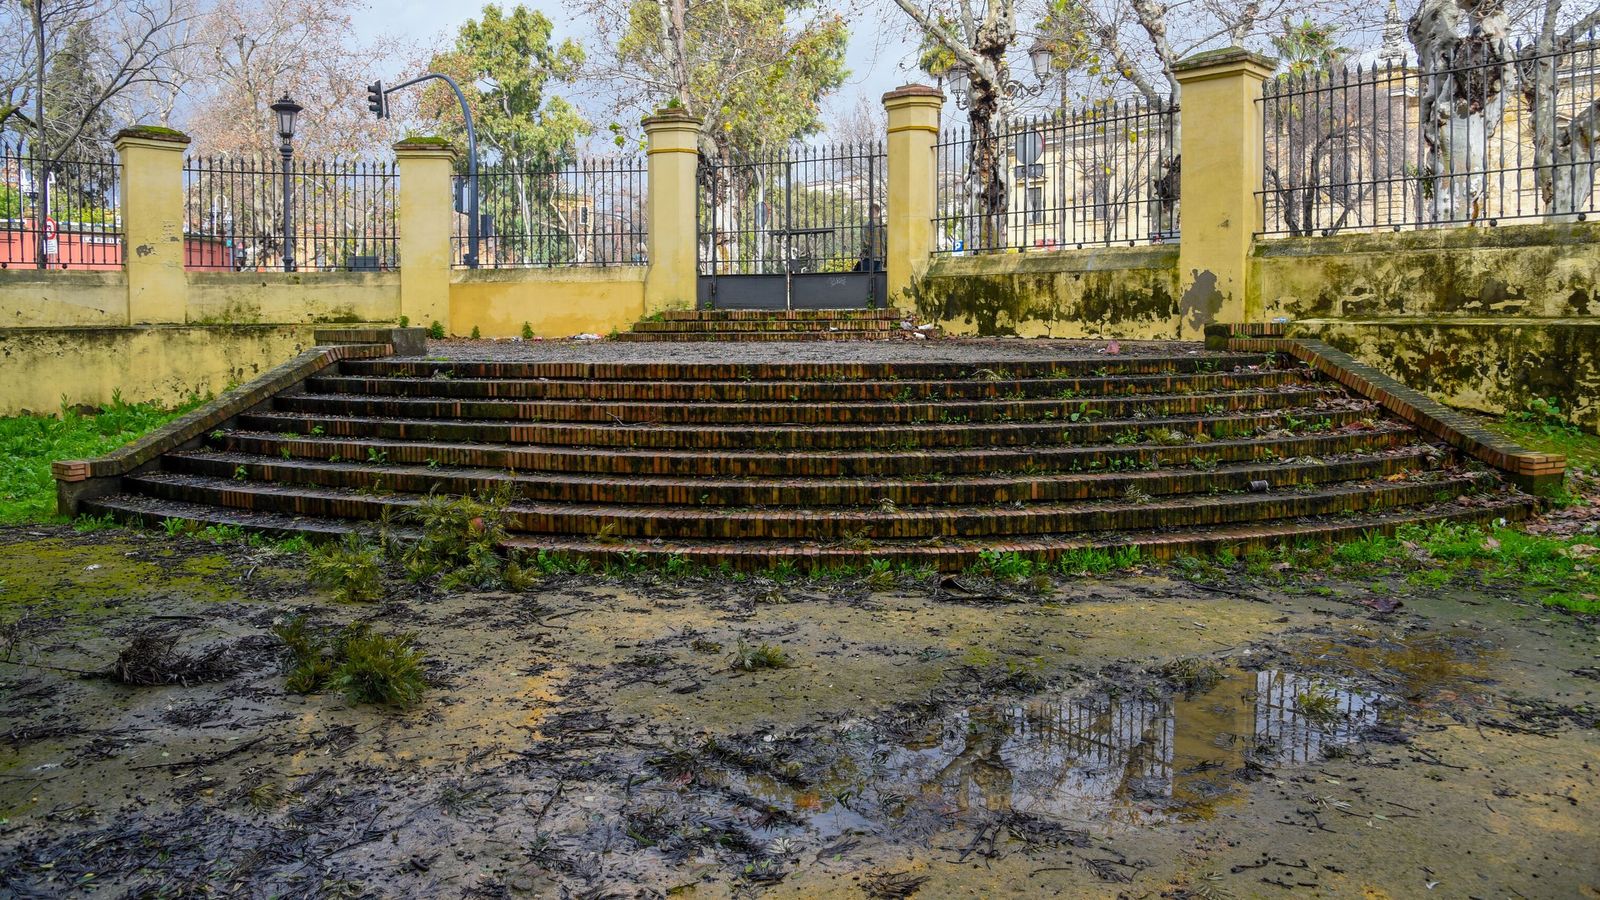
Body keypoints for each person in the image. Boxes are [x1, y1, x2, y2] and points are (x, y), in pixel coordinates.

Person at [856, 202, 885, 272]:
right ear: (878, 212)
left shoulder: (867, 225)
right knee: (878, 279)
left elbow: (865, 242)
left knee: (865, 279)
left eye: (871, 212)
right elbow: (886, 242)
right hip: (880, 257)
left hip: (868, 257)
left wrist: (862, 253)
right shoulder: (883, 226)